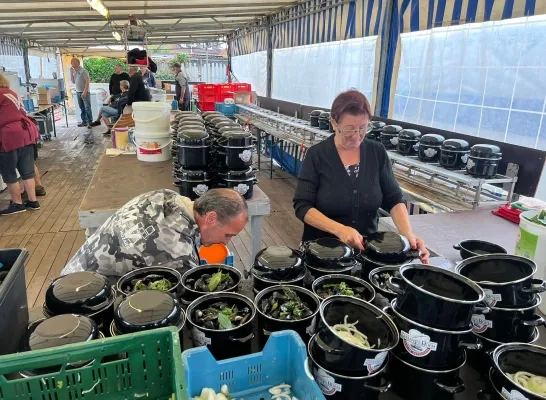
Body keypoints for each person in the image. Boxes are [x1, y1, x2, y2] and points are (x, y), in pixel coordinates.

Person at [293, 89, 429, 263]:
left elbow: (394, 198)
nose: (357, 136)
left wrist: (408, 234)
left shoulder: (376, 152)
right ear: (333, 123)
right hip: (322, 254)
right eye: (349, 130)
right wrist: (340, 230)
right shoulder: (317, 155)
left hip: (368, 252)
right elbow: (302, 206)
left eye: (363, 128)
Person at [61, 188, 248, 277]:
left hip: (73, 270)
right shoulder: (177, 254)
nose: (226, 243)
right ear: (211, 218)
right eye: (228, 235)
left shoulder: (165, 195)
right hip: (83, 302)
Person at [0, 73, 40, 215]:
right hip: (26, 132)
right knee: (27, 171)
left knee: (9, 172)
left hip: (9, 135)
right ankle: (33, 201)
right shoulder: (11, 92)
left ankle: (17, 204)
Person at [70, 58, 92, 128]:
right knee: (81, 107)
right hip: (78, 92)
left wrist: (85, 91)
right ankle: (84, 121)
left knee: (87, 107)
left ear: (77, 63)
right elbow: (73, 81)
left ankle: (90, 122)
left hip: (84, 91)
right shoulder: (74, 71)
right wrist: (71, 73)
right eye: (72, 63)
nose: (72, 64)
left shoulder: (84, 71)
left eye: (73, 62)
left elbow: (87, 81)